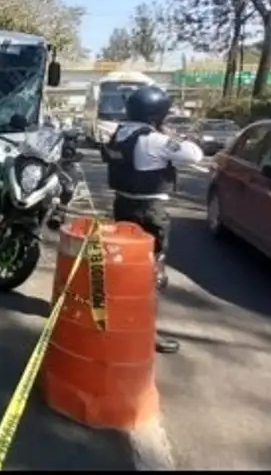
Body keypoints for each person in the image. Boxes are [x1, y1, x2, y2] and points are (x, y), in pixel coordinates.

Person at [101, 85, 203, 355]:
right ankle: (147, 332)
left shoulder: (121, 133)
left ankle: (116, 320)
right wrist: (171, 134)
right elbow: (194, 154)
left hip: (122, 205)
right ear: (158, 113)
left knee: (124, 267)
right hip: (150, 210)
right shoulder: (154, 139)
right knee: (152, 274)